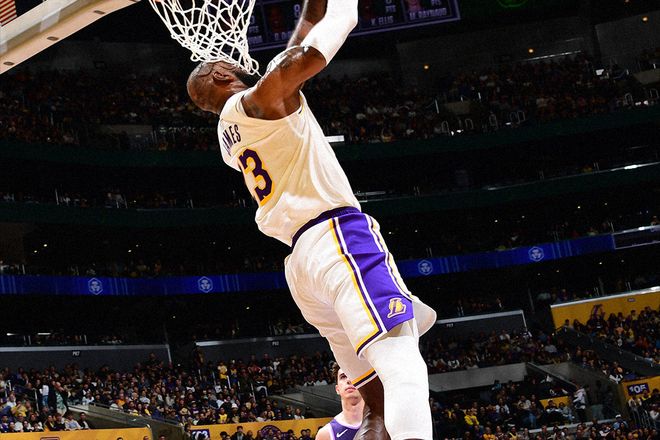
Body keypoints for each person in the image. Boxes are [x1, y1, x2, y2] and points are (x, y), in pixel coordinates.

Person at [185, 0, 436, 438]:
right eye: (222, 62)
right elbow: (311, 52)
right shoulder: (257, 102)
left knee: (375, 406)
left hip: (303, 266)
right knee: (402, 363)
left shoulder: (230, 134)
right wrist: (343, 8)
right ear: (221, 76)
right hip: (336, 239)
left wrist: (313, 10)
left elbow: (297, 43)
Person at [316, 365, 364, 440]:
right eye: (343, 376)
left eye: (354, 374)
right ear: (337, 389)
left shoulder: (382, 423)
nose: (349, 380)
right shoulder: (325, 434)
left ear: (364, 384)